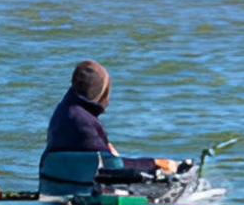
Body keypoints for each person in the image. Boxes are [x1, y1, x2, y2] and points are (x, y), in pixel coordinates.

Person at [43, 60, 178, 173]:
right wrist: (155, 163)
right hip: (82, 190)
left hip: (56, 184)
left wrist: (106, 146)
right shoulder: (83, 121)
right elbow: (113, 166)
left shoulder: (64, 110)